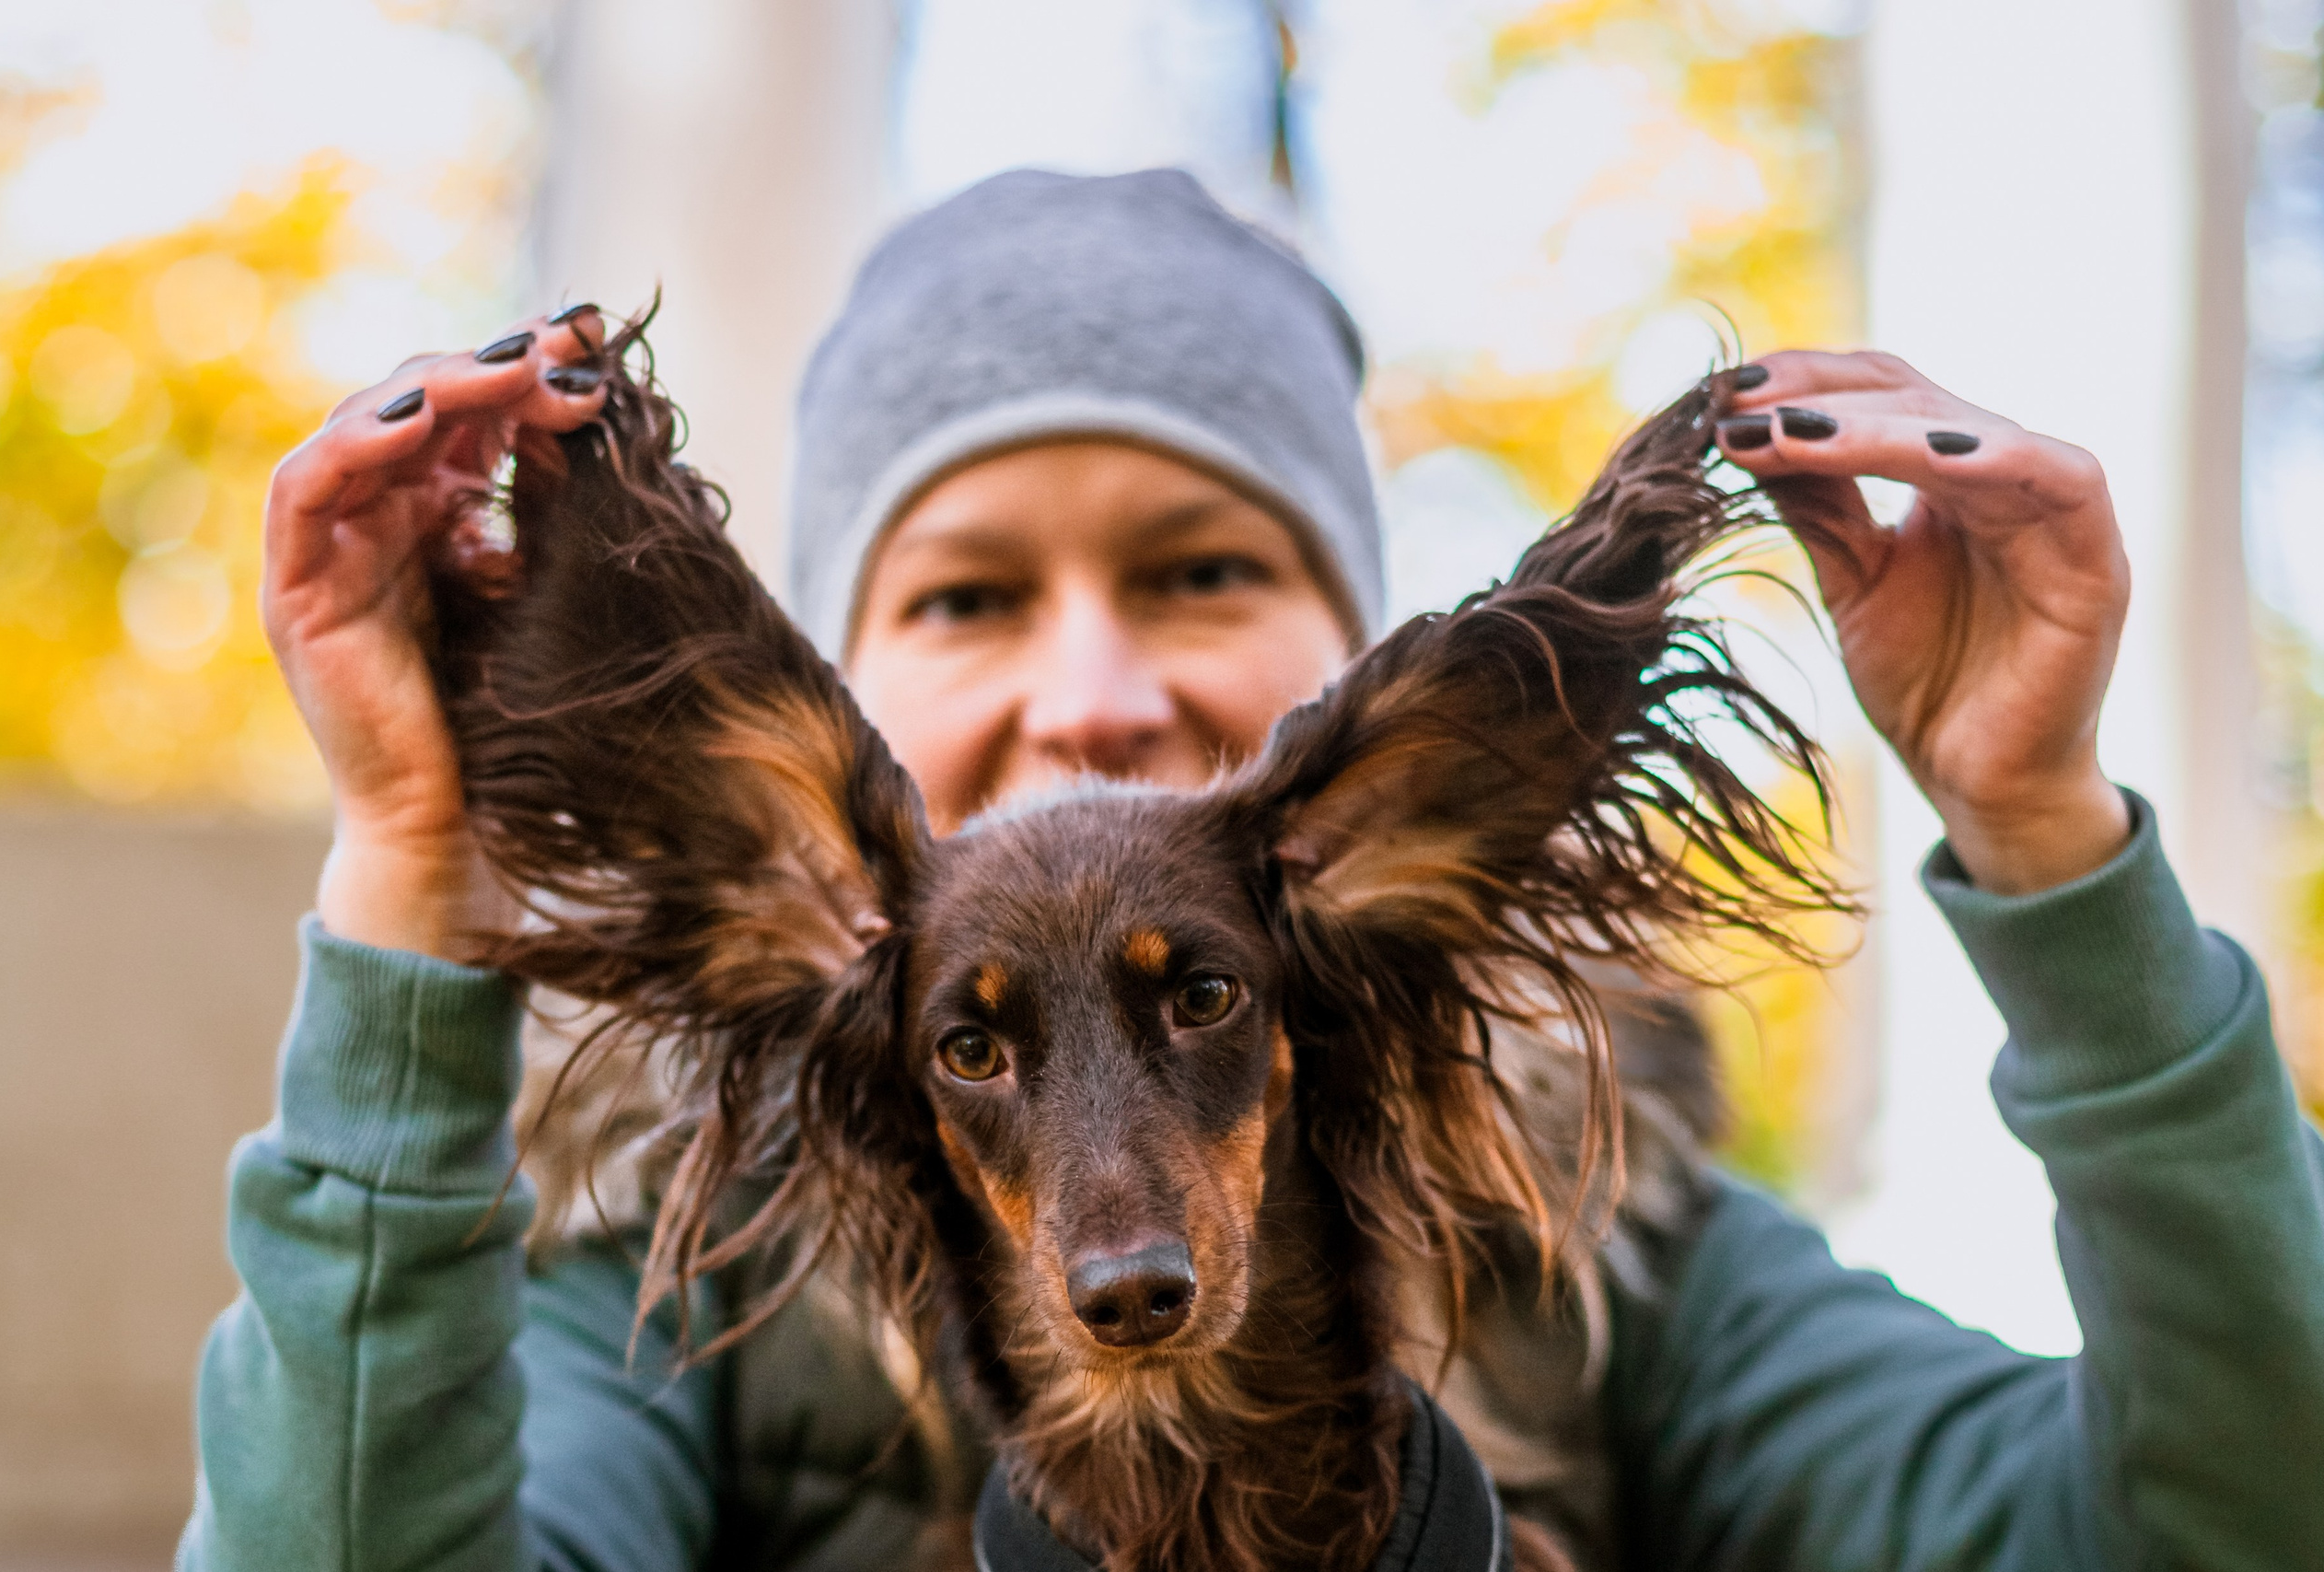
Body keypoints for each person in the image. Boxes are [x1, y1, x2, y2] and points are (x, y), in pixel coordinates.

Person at [180, 169, 2324, 1571]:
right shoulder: (677, 1288)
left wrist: (2045, 836)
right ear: (811, 751)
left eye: (1198, 567)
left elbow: (2231, 1524)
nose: (1097, 692)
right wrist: (411, 864)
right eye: (968, 595)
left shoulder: (1610, 1255)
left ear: (1360, 718)